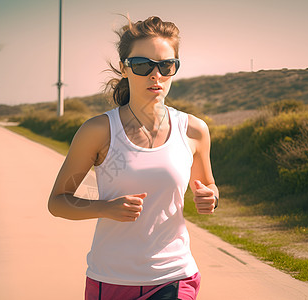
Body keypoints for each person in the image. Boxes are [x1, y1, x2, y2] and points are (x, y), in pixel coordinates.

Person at [48, 15, 219, 300]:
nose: (156, 75)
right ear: (123, 69)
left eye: (167, 66)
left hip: (174, 276)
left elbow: (209, 186)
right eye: (142, 65)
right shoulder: (98, 131)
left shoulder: (194, 130)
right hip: (110, 279)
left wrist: (210, 197)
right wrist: (105, 208)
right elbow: (57, 202)